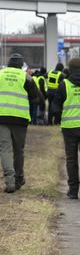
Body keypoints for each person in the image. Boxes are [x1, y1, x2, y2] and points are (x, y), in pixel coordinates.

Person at [0, 53, 44, 193]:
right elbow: (38, 97)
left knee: (5, 149)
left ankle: (9, 180)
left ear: (9, 63)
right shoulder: (26, 77)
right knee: (18, 150)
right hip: (20, 118)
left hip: (1, 116)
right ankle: (18, 179)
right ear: (21, 65)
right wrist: (31, 102)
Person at [52, 57, 80, 199]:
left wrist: (57, 119)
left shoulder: (64, 85)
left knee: (71, 159)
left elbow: (56, 107)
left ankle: (73, 190)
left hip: (69, 128)